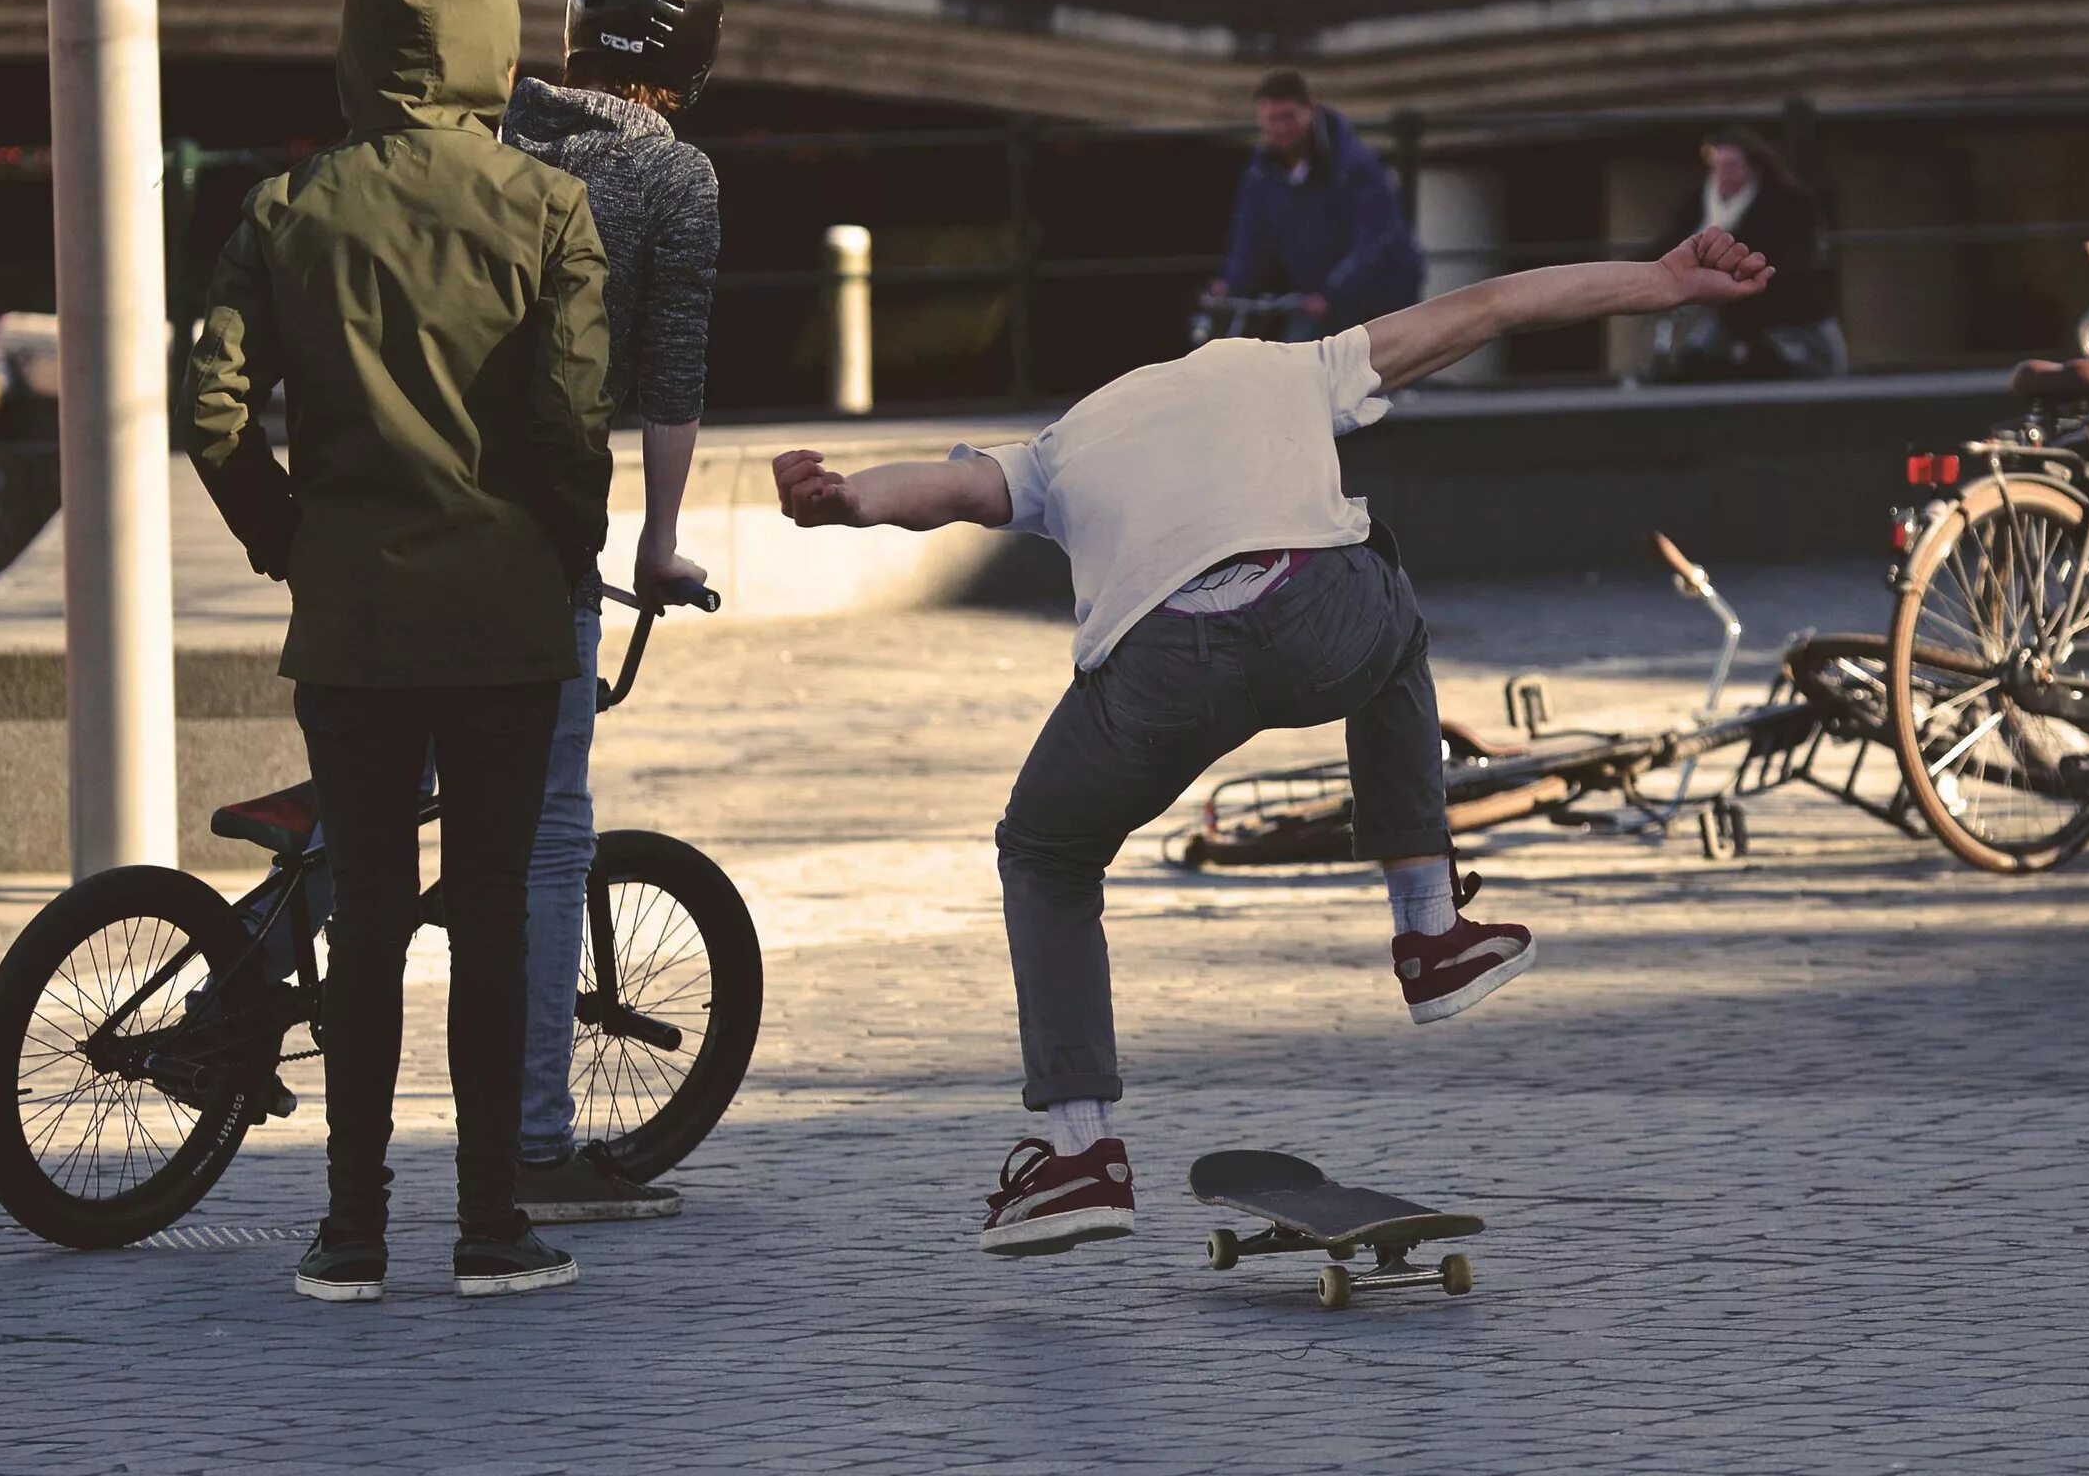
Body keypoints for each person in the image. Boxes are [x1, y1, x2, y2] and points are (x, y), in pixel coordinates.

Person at [770, 227, 1774, 1257]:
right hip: (1315, 618)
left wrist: (845, 496)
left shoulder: (1062, 443)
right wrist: (1660, 282)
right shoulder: (1286, 365)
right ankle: (1429, 932)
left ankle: (1079, 1153)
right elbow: (1493, 306)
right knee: (1389, 599)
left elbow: (946, 492)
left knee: (1045, 851)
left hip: (1159, 667)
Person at [183, 0, 614, 1304]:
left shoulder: (286, 207)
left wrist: (286, 538)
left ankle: (350, 1233)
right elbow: (567, 424)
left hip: (353, 622)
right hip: (503, 624)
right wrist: (568, 550)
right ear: (494, 41)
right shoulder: (548, 207)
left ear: (358, 50)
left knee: (365, 921)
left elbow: (212, 413)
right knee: (488, 915)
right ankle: (491, 1225)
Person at [494, 0, 725, 1225]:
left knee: (382, 811)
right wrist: (658, 540)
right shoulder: (673, 177)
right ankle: (535, 1144)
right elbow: (673, 373)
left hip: (399, 538)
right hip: (537, 548)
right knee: (547, 838)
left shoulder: (489, 138)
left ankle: (224, 1007)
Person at [1209, 69, 1425, 339]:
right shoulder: (1261, 174)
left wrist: (1332, 292)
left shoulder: (1354, 163)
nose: (1281, 128)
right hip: (1318, 301)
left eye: (1289, 117)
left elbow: (1375, 236)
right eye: (1271, 119)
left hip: (1377, 296)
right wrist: (1231, 285)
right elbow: (1250, 237)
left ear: (1310, 111)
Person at [1651, 128, 1844, 380]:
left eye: (1732, 165)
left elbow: (1799, 262)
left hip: (1787, 311)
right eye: (1718, 166)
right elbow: (1670, 243)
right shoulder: (1699, 204)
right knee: (1692, 362)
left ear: (1753, 167)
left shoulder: (1790, 204)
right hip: (1724, 312)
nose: (1724, 174)